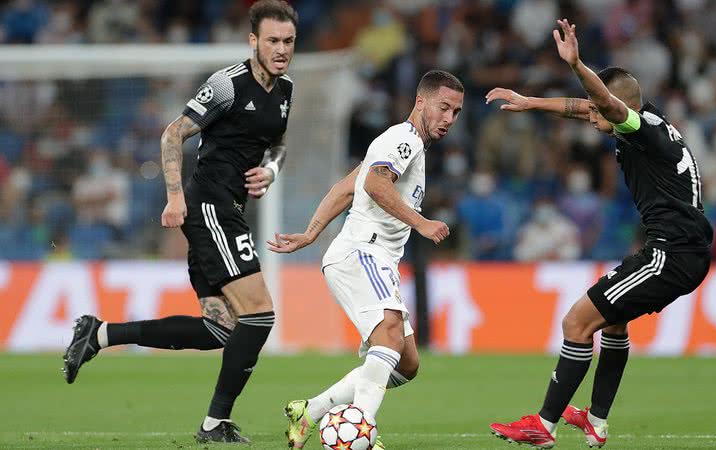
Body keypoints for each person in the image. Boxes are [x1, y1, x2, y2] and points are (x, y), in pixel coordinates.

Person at [61, 0, 298, 443]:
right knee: (260, 316)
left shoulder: (285, 90)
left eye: (288, 41)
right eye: (272, 40)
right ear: (253, 41)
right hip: (210, 207)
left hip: (230, 209)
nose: (281, 49)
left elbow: (278, 145)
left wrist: (272, 170)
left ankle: (101, 333)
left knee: (221, 328)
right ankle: (214, 425)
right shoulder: (227, 85)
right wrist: (174, 197)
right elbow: (174, 132)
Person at [485, 19, 713, 448]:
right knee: (614, 324)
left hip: (673, 252)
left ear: (616, 106)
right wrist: (530, 102)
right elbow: (584, 105)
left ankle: (545, 424)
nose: (589, 115)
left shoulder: (637, 128)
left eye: (597, 108)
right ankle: (597, 420)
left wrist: (576, 63)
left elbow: (601, 103)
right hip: (684, 251)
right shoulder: (652, 121)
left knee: (576, 321)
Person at [267, 70, 463, 449]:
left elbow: (347, 187)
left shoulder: (402, 145)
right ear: (421, 102)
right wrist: (421, 222)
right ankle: (361, 431)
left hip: (373, 257)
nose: (449, 119)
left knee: (406, 364)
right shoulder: (402, 139)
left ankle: (309, 410)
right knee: (389, 334)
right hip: (363, 251)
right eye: (443, 108)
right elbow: (374, 184)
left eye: (455, 112)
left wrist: (312, 233)